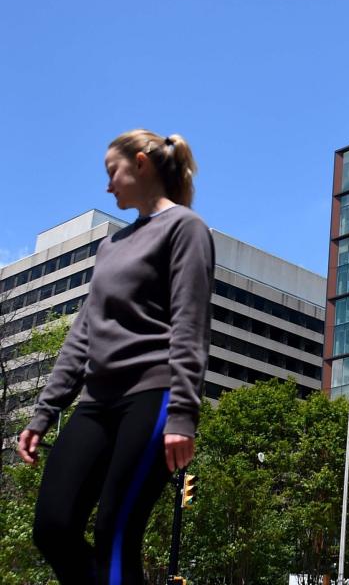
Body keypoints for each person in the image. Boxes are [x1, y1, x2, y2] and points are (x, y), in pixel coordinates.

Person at [17, 129, 215, 585]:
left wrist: (183, 415)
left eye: (113, 172)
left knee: (115, 532)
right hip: (96, 402)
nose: (108, 185)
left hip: (152, 395)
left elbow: (190, 324)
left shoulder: (186, 228)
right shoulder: (111, 246)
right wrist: (43, 414)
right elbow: (82, 335)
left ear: (141, 163)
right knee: (52, 526)